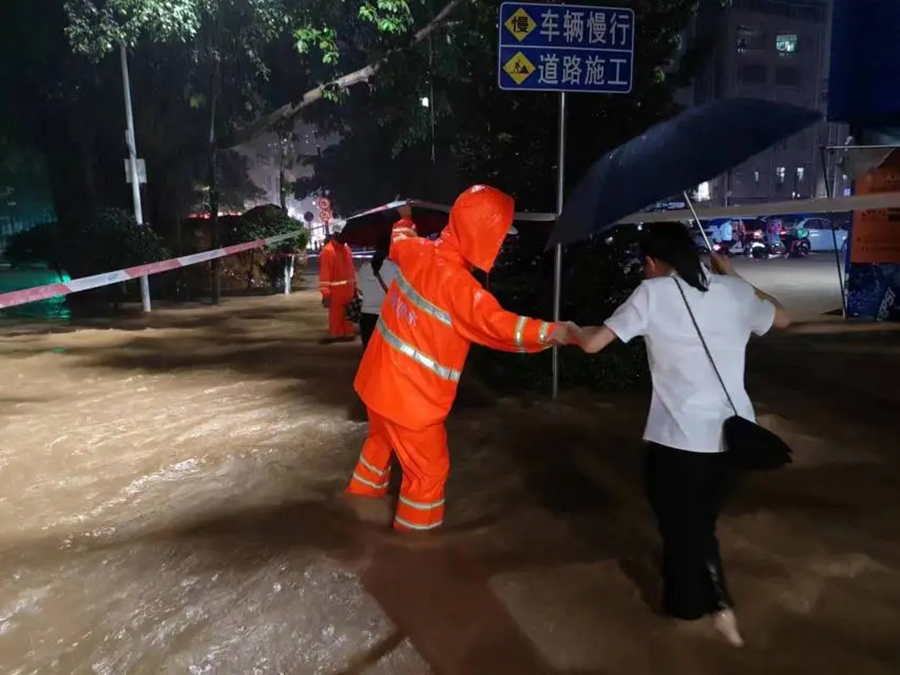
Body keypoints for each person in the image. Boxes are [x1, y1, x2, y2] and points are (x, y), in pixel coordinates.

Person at [571, 223, 790, 647]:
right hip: (735, 440)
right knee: (696, 525)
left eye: (643, 266)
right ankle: (693, 613)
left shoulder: (652, 294)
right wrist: (735, 276)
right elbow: (783, 317)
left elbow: (593, 344)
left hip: (679, 442)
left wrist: (567, 330)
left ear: (651, 263)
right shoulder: (733, 292)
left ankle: (708, 613)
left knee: (683, 528)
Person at [343, 185, 572, 534]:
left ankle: (354, 512)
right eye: (499, 237)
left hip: (377, 387)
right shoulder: (460, 289)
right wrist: (555, 332)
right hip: (411, 404)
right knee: (428, 474)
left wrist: (404, 219)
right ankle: (415, 551)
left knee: (378, 446)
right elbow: (501, 327)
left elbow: (400, 239)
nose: (502, 244)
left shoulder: (418, 251)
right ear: (483, 237)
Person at [356, 233, 399, 348]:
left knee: (369, 353)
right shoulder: (394, 268)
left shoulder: (364, 268)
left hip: (367, 318)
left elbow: (360, 292)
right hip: (387, 317)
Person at [319, 227, 357, 340]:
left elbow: (351, 269)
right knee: (336, 321)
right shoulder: (328, 251)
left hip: (348, 291)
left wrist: (354, 288)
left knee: (348, 322)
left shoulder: (346, 249)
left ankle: (346, 336)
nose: (347, 237)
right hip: (336, 293)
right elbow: (324, 274)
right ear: (337, 234)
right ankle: (337, 338)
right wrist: (326, 294)